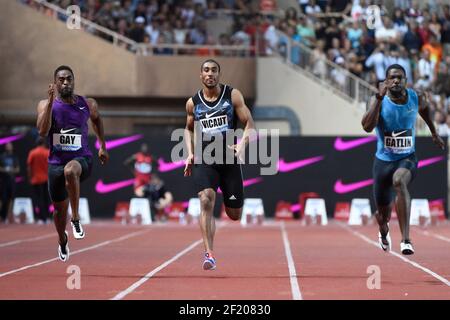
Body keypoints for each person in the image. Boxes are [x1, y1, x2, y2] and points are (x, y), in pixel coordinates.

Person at [361, 64, 445, 255]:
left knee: (399, 181)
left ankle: (406, 240)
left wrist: (433, 132)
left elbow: (425, 111)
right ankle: (383, 231)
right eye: (392, 78)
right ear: (386, 81)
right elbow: (367, 127)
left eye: (400, 77)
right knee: (382, 216)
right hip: (383, 162)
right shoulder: (376, 100)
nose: (396, 81)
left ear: (406, 80)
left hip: (407, 158)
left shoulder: (417, 97)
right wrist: (379, 98)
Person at [184, 59, 255, 270]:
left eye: (214, 70)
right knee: (206, 198)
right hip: (205, 159)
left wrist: (242, 144)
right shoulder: (193, 103)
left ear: (219, 74)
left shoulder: (232, 95)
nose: (210, 74)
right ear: (201, 75)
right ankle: (209, 254)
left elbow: (249, 123)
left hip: (229, 160)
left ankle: (228, 192)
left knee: (234, 215)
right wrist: (189, 154)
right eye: (206, 70)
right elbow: (188, 129)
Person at [36, 65, 109, 262]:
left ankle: (76, 219)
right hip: (55, 164)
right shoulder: (45, 104)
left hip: (81, 159)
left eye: (69, 79)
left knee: (71, 170)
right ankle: (62, 239)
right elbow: (42, 131)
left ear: (73, 81)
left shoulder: (87, 104)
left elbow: (97, 120)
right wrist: (51, 102)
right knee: (59, 213)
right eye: (61, 79)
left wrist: (102, 145)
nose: (66, 82)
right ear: (55, 82)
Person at [27, 137, 51, 224]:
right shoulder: (47, 152)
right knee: (46, 198)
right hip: (46, 179)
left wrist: (30, 177)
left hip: (36, 179)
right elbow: (51, 166)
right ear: (43, 143)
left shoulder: (32, 152)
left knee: (38, 199)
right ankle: (47, 217)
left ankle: (41, 218)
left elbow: (29, 167)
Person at [0, 143, 20, 224]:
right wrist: (5, 169)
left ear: (12, 147)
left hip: (12, 181)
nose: (8, 147)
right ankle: (1, 216)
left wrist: (11, 170)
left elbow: (18, 169)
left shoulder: (14, 157)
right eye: (7, 146)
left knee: (11, 199)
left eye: (10, 146)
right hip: (3, 181)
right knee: (3, 199)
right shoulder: (2, 157)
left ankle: (8, 217)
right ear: (5, 147)